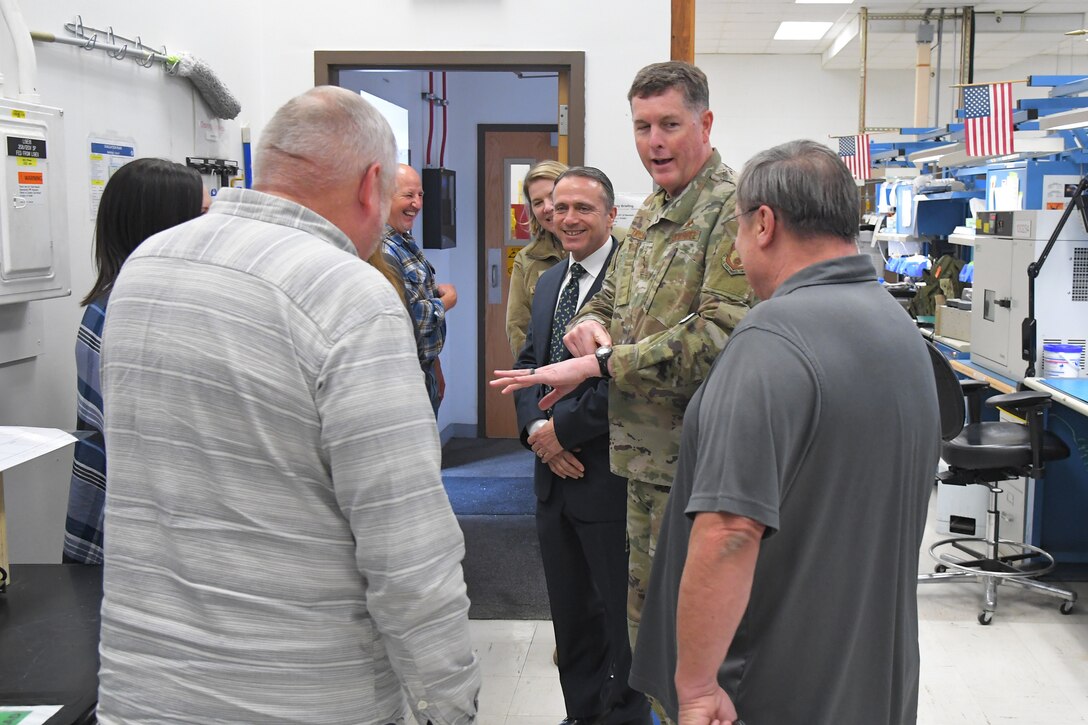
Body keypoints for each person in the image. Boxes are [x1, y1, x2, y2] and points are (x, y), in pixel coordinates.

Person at [96, 86, 480, 725]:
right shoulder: (349, 293)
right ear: (372, 185)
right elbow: (406, 543)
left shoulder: (147, 265)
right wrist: (449, 700)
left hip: (145, 688)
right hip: (304, 693)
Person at [629, 140, 941, 725]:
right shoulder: (897, 328)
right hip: (870, 678)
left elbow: (729, 531)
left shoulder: (771, 340)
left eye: (738, 230)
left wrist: (696, 687)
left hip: (769, 687)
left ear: (764, 224)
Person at [491, 61, 753, 672]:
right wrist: (591, 321)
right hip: (637, 463)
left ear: (705, 124)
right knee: (643, 636)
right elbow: (613, 296)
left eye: (669, 124)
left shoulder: (733, 209)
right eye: (642, 127)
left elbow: (721, 334)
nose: (654, 142)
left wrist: (600, 364)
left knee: (695, 645)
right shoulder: (653, 210)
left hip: (696, 469)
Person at [513, 167, 651, 725]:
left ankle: (622, 717)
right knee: (571, 619)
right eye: (558, 207)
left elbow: (629, 379)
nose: (566, 218)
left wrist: (561, 431)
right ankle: (582, 714)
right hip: (553, 481)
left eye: (583, 209)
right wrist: (535, 432)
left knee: (621, 620)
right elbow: (529, 364)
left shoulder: (635, 282)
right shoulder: (550, 280)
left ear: (611, 215)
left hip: (609, 476)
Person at [62, 158, 206, 565]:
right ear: (166, 225)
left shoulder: (116, 303)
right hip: (142, 539)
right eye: (201, 216)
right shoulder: (128, 315)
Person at [381, 163, 457, 414]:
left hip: (424, 369)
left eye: (420, 195)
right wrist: (446, 302)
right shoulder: (382, 251)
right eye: (408, 195)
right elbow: (406, 318)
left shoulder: (403, 240)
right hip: (403, 379)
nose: (417, 203)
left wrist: (435, 366)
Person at [507, 159, 568, 358]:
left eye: (553, 196)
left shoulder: (616, 243)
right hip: (548, 370)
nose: (547, 207)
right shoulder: (527, 260)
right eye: (538, 202)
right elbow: (518, 327)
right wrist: (532, 372)